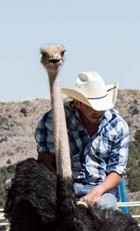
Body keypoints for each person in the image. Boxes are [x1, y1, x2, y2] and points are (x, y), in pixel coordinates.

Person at [35, 71, 129, 210]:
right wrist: (64, 190)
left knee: (105, 207)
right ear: (78, 103)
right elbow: (44, 160)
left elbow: (116, 172)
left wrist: (96, 192)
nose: (99, 111)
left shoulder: (118, 126)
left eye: (102, 105)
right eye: (93, 106)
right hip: (62, 186)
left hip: (101, 191)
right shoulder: (53, 120)